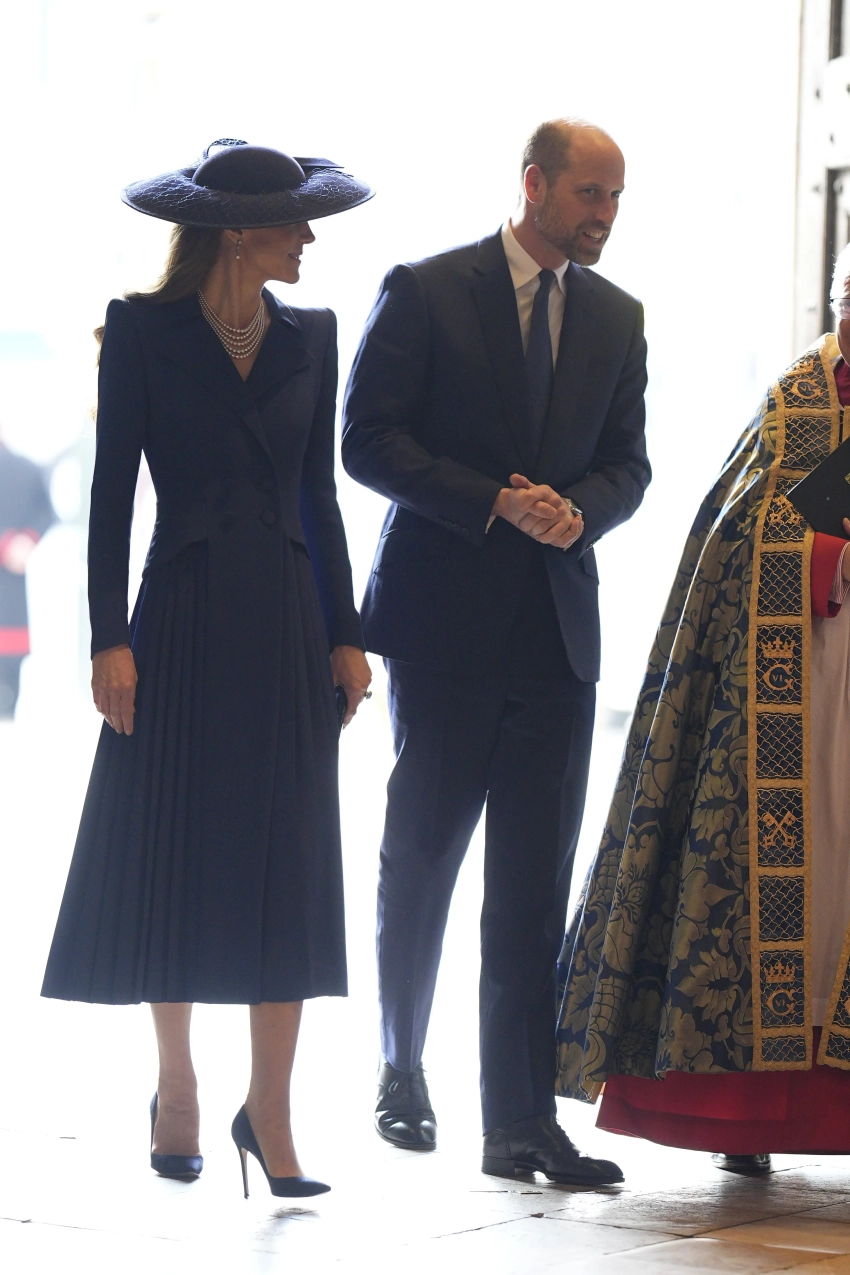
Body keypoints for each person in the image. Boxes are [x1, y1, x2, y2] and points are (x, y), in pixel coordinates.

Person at [42, 140, 373, 1198]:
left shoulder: (314, 335)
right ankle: (177, 1086)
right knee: (174, 848)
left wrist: (347, 631)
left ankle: (269, 1112)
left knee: (287, 861)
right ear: (238, 232)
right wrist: (108, 637)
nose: (309, 237)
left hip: (285, 620)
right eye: (292, 220)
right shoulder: (141, 332)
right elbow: (111, 497)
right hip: (178, 618)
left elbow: (319, 498)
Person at [342, 119, 650, 1185]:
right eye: (590, 193)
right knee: (422, 857)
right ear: (533, 183)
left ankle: (518, 1122)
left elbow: (629, 465)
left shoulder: (617, 316)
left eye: (616, 197)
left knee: (531, 889)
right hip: (441, 632)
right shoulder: (426, 290)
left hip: (558, 641)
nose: (605, 214)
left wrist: (581, 511)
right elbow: (366, 441)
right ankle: (399, 1065)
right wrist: (493, 502)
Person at [557, 243, 850, 1174]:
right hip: (803, 685)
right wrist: (823, 557)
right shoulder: (797, 402)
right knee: (794, 883)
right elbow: (744, 533)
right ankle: (749, 1113)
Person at [0, 434, 56, 718]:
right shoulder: (27, 469)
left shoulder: (25, 469)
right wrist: (19, 542)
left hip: (11, 585)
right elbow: (47, 512)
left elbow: (46, 511)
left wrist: (21, 543)